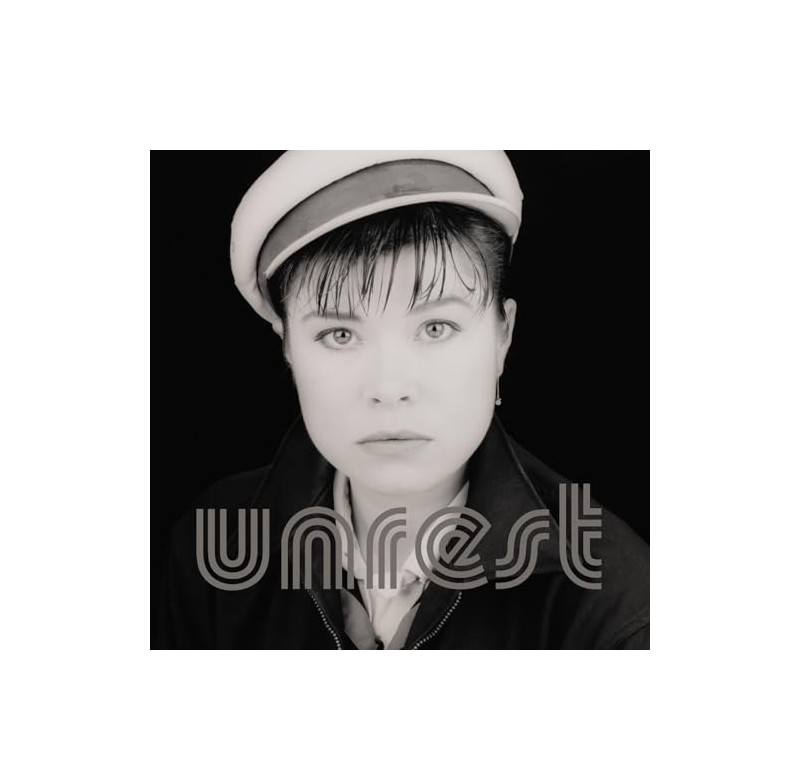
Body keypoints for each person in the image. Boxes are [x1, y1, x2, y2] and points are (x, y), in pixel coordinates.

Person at [156, 151, 649, 649]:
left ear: (503, 337)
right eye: (339, 335)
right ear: (287, 349)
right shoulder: (212, 549)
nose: (389, 387)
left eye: (436, 328)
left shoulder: (610, 603)